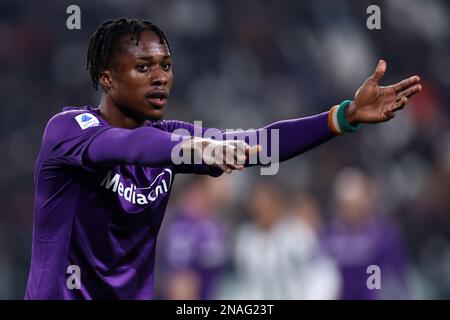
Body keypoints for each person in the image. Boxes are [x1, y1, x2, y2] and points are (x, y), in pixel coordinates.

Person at [25, 17, 422, 299]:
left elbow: (259, 143)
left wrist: (343, 116)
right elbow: (124, 146)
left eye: (166, 65)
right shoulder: (69, 131)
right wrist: (194, 149)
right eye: (143, 67)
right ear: (107, 78)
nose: (160, 77)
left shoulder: (169, 135)